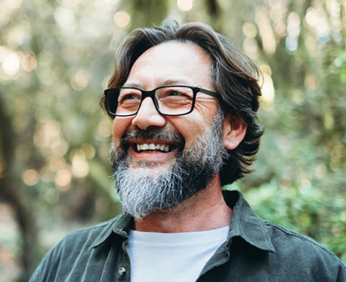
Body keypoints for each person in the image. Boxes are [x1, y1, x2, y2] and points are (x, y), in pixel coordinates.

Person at [29, 22, 346, 282]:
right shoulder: (65, 262)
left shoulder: (312, 271)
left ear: (232, 128)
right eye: (130, 98)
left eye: (176, 96)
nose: (144, 117)